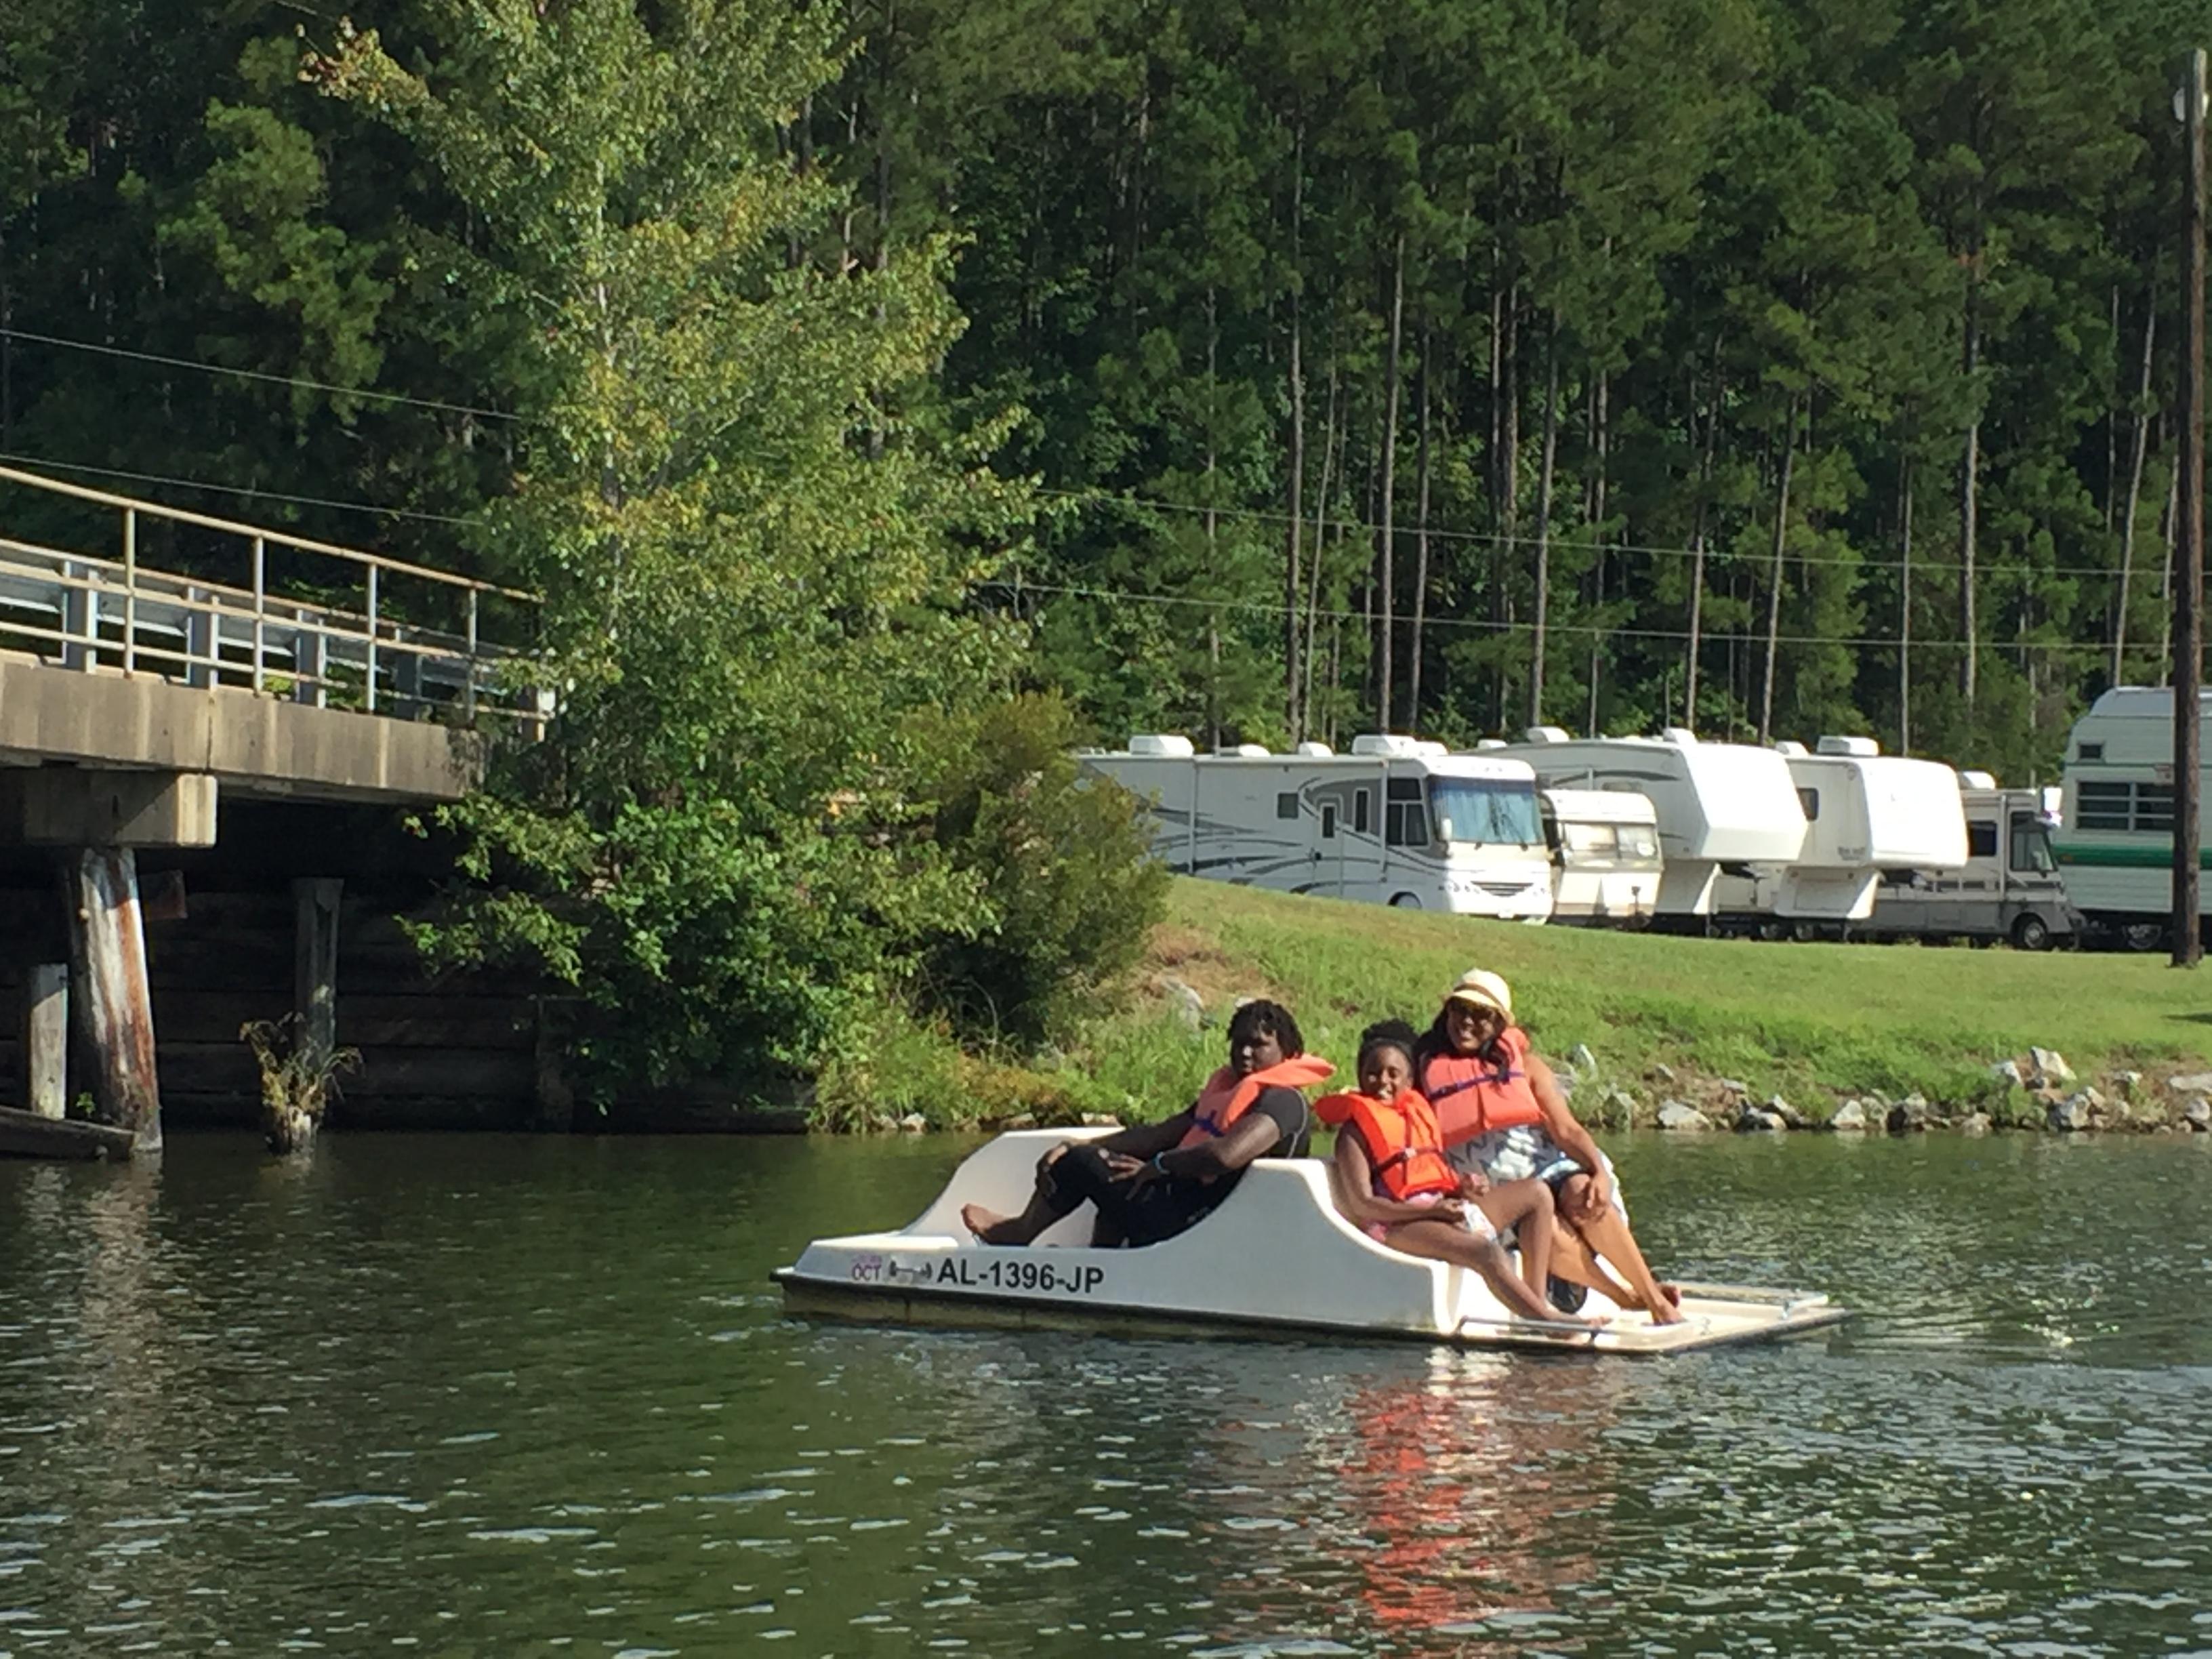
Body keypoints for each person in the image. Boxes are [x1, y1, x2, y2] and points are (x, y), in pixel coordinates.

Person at [1414, 970, 1683, 1326]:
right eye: (1459, 1010)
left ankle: (1653, 1299)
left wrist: (1599, 1173)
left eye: (1481, 1015)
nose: (1466, 1022)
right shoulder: (1425, 1072)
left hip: (1547, 1168)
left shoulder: (1526, 1067)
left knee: (1581, 1192)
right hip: (1499, 1193)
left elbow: (1566, 1129)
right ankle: (1624, 1297)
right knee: (1548, 1225)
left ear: (1499, 1024)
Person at [961, 999, 1330, 1248]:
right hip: (1184, 1205)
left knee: (1084, 1167)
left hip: (1202, 1222)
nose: (1245, 1053)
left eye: (1258, 1044)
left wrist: (1157, 1167)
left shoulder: (1282, 1100)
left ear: (1288, 1052)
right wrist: (1079, 1145)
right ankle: (1103, 1266)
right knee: (1102, 1164)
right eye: (1237, 1043)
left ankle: (1019, 1233)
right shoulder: (1230, 1091)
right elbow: (1158, 1134)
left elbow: (1224, 1156)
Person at [1316, 1021, 1592, 1326]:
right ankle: (1548, 1323)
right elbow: (1362, 1206)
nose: (1383, 1081)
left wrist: (1463, 1187)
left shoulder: (1417, 1116)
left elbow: (1428, 1172)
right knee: (1486, 1252)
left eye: (1393, 1074)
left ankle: (1535, 1306)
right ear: (1359, 1076)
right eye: (1373, 1073)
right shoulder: (1353, 1135)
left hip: (1439, 1209)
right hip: (1396, 1226)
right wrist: (1431, 1211)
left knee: (1537, 1194)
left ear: (1409, 1081)